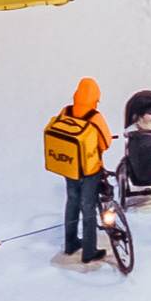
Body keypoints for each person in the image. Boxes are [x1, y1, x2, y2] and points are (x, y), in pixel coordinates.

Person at [40, 77, 111, 265]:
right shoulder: (95, 117)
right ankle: (89, 251)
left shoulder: (66, 110)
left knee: (72, 201)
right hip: (89, 170)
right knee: (88, 206)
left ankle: (70, 243)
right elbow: (106, 142)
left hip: (69, 167)